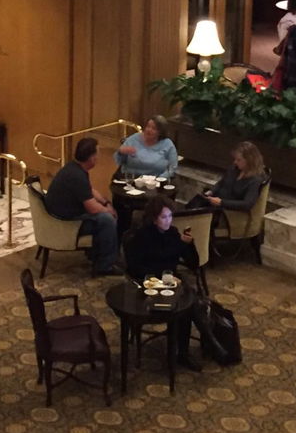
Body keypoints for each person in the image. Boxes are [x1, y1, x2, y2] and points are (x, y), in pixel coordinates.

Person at [123, 196, 203, 369]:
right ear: (154, 218)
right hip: (148, 286)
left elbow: (194, 264)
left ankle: (183, 352)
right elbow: (135, 268)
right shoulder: (141, 237)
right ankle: (208, 343)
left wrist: (189, 245)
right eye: (164, 217)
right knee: (190, 303)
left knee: (189, 304)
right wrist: (162, 277)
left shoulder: (173, 234)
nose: (168, 221)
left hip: (171, 284)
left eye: (170, 216)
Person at [44, 136, 121, 275]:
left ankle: (97, 255)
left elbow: (89, 190)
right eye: (97, 153)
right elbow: (92, 207)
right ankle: (105, 265)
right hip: (65, 222)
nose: (99, 157)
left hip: (62, 214)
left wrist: (105, 203)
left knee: (104, 215)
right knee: (107, 220)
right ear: (91, 158)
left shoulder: (73, 168)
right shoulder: (77, 176)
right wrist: (110, 211)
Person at [187, 140, 267, 221]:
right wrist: (211, 191)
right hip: (215, 201)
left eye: (239, 160)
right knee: (195, 204)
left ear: (249, 161)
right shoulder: (234, 169)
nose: (235, 162)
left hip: (228, 210)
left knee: (198, 215)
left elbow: (247, 204)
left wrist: (222, 202)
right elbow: (221, 183)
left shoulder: (255, 180)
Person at [115, 115, 179, 179]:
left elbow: (172, 168)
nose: (149, 130)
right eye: (148, 126)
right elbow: (119, 160)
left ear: (160, 132)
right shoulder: (134, 139)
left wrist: (159, 179)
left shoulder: (167, 144)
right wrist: (121, 152)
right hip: (131, 179)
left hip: (155, 182)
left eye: (154, 128)